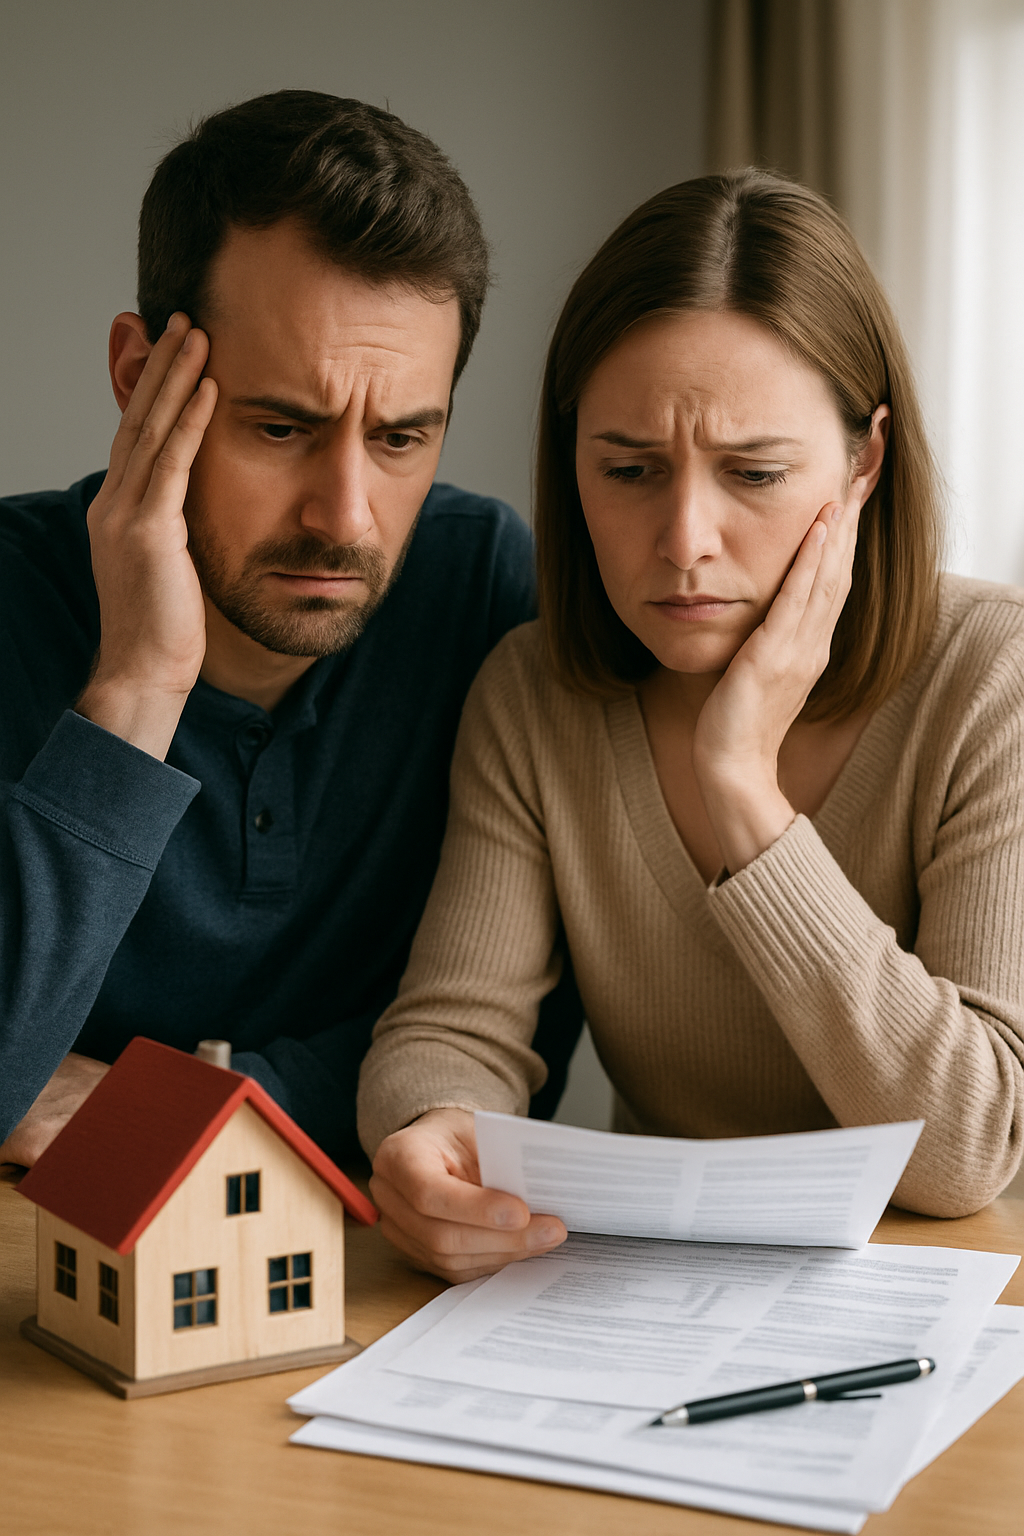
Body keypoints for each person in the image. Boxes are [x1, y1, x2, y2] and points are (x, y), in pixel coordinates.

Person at [360, 168, 1024, 1281]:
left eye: (754, 473)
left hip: (946, 1315)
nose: (682, 540)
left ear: (864, 461)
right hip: (641, 1296)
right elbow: (452, 1032)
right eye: (627, 469)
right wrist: (427, 1131)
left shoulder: (990, 675)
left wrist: (742, 788)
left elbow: (966, 1152)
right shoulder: (535, 697)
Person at [0, 90, 581, 1168]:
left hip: (368, 1286)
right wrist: (135, 685)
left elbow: (502, 1059)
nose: (345, 518)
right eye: (281, 427)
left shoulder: (480, 589)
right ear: (141, 378)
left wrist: (159, 1107)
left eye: (403, 437)